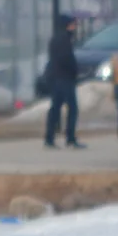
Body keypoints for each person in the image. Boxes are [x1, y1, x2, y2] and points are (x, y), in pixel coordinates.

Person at [42, 19, 83, 149]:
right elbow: (66, 58)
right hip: (64, 78)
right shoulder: (65, 40)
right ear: (68, 25)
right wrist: (75, 70)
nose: (75, 28)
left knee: (55, 107)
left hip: (54, 77)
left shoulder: (55, 39)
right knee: (72, 108)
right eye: (73, 25)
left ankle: (49, 137)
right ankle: (70, 137)